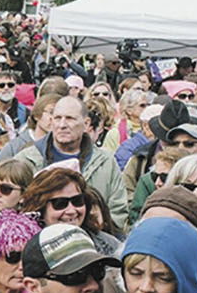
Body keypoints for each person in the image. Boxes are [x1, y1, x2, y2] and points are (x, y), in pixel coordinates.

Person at [16, 94, 129, 230]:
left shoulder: (106, 162)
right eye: (58, 118)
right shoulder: (26, 160)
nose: (62, 125)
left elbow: (118, 212)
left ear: (86, 123)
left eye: (70, 119)